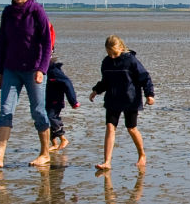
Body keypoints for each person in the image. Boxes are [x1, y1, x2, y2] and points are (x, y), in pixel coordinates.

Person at [0, 0, 54, 168]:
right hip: (11, 69)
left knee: (38, 112)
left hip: (34, 70)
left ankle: (45, 153)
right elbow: (2, 43)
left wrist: (42, 69)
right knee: (5, 111)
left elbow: (47, 43)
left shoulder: (37, 11)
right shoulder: (7, 13)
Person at [89, 35, 154, 170]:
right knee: (110, 127)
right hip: (112, 99)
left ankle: (142, 154)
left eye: (114, 53)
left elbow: (145, 77)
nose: (112, 57)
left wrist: (149, 94)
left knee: (131, 128)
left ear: (121, 48)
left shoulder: (130, 60)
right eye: (109, 53)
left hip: (130, 99)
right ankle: (107, 162)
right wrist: (96, 90)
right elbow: (105, 81)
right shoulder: (106, 62)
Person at [45, 55, 80, 151]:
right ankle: (54, 144)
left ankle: (63, 139)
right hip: (46, 100)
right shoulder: (44, 71)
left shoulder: (55, 71)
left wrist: (73, 101)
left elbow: (67, 83)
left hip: (55, 101)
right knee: (46, 121)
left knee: (51, 117)